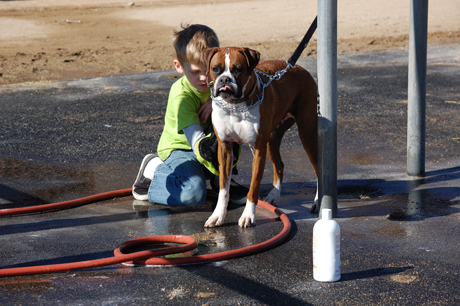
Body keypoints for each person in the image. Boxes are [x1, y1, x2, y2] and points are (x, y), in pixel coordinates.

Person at [132, 24, 247, 206]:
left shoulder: (217, 85)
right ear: (179, 66)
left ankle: (222, 181)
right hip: (182, 149)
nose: (204, 78)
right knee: (193, 194)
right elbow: (199, 144)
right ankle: (153, 169)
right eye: (195, 72)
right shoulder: (182, 96)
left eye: (209, 70)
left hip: (206, 148)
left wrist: (217, 102)